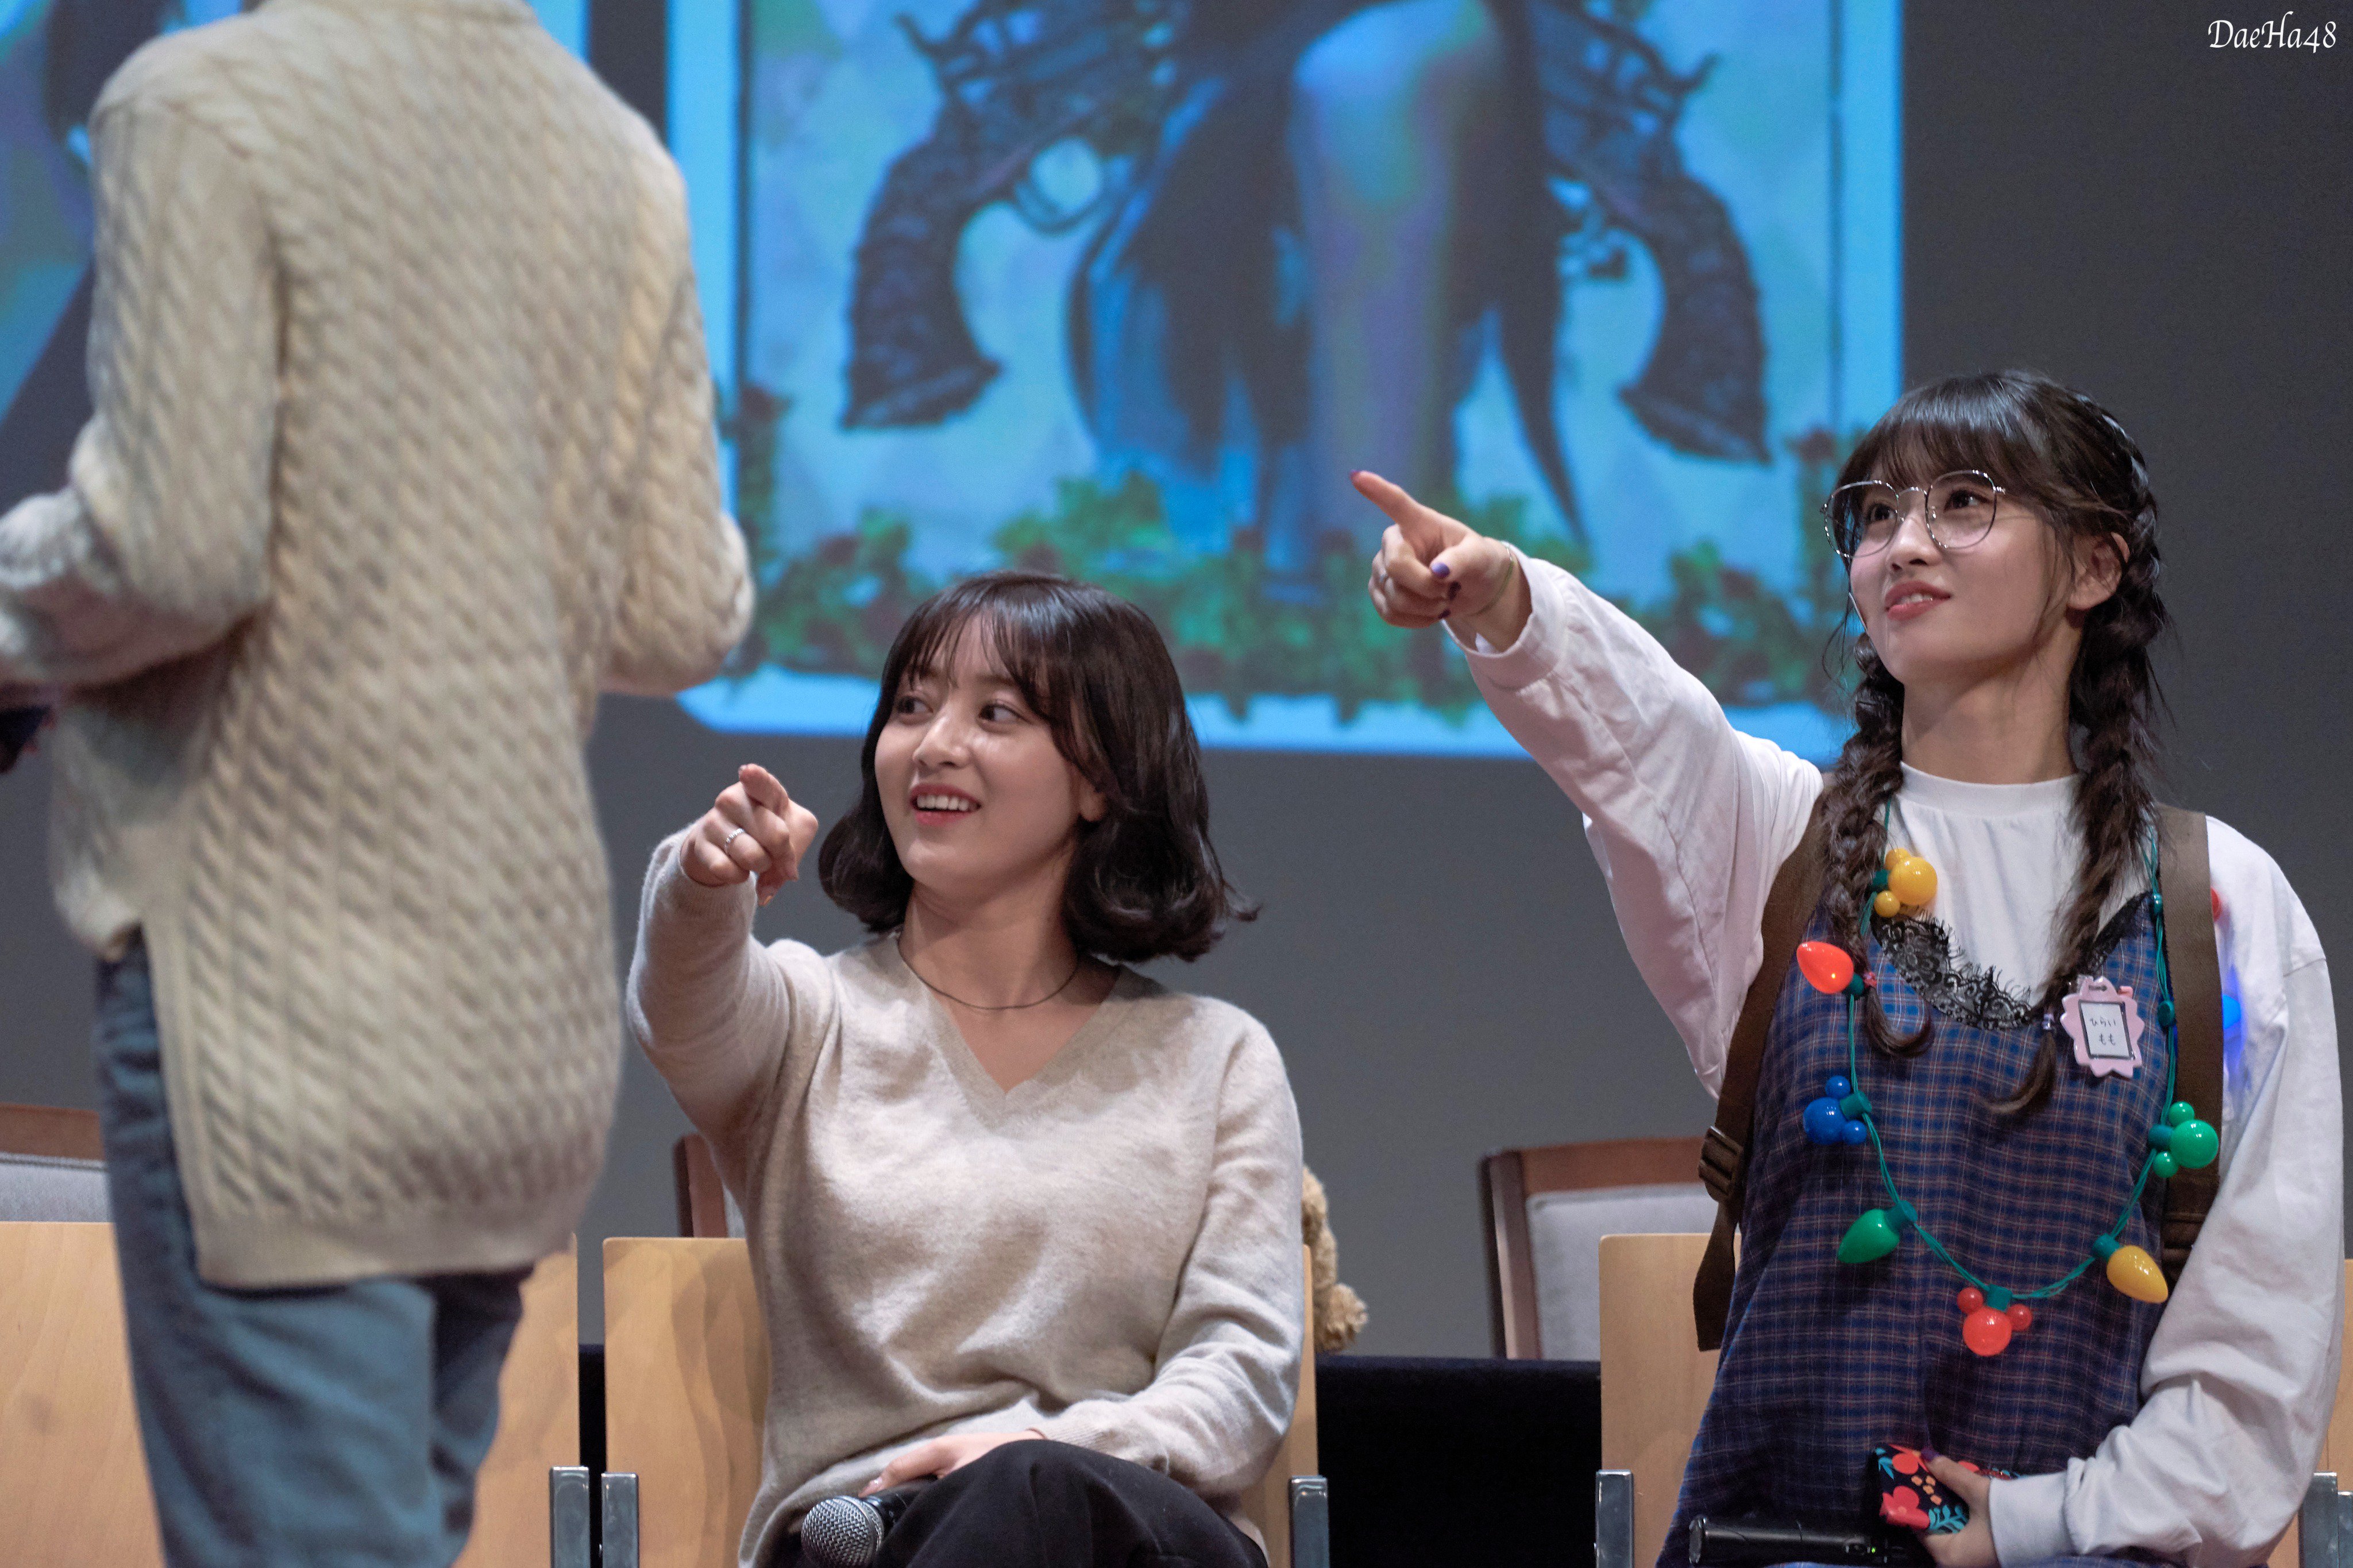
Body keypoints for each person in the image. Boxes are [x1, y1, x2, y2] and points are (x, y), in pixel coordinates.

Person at [1357, 369, 2340, 1567]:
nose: (1901, 544)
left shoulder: (2216, 904)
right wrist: (1506, 599)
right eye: (1874, 514)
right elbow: (1635, 735)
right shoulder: (1787, 841)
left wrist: (2030, 1524)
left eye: (1962, 502)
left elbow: (2251, 1364)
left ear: (2093, 566)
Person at [0, 2, 750, 1563]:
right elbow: (684, 613)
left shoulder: (206, 104)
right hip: (515, 1033)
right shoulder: (619, 157)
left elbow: (169, 549)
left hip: (278, 997)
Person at [628, 572, 1303, 1568]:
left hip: (1130, 1526)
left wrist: (1052, 1449)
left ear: (1101, 780)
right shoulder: (808, 1017)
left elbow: (1239, 1369)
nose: (936, 743)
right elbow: (680, 1008)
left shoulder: (1217, 1057)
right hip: (875, 1534)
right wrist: (703, 877)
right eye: (912, 705)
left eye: (996, 714)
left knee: (1033, 1491)